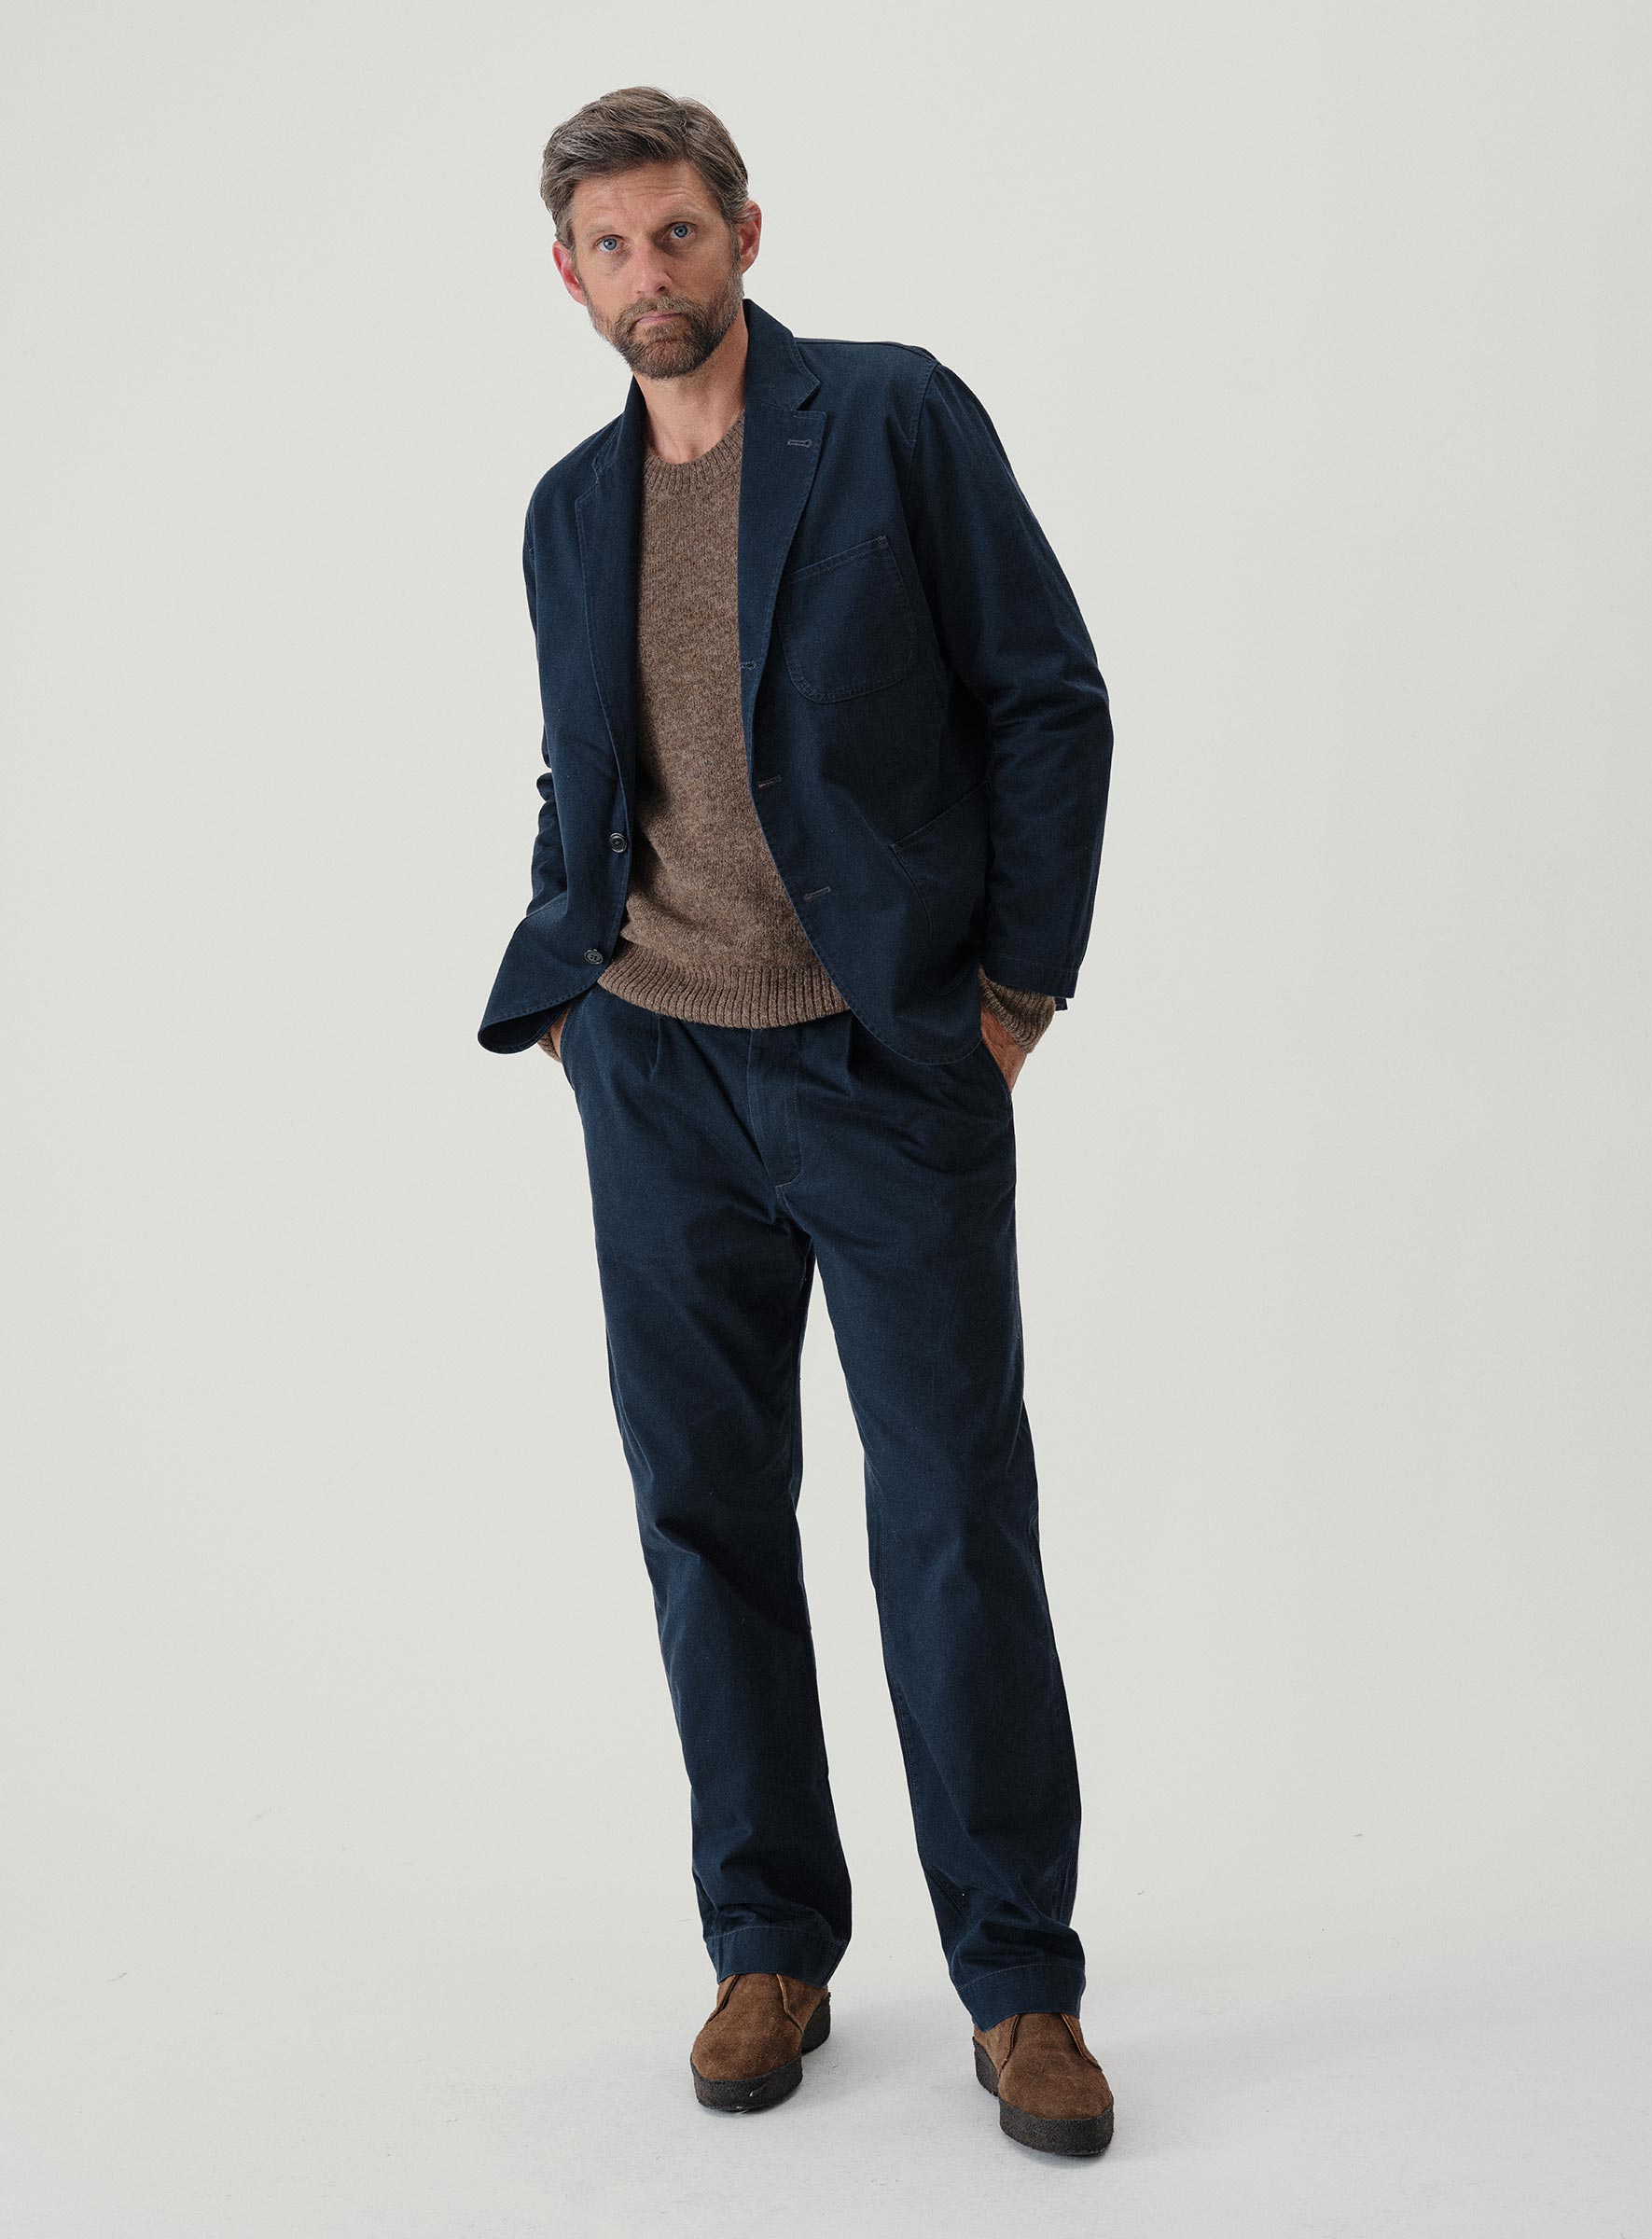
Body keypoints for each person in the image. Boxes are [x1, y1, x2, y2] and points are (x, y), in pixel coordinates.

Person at [478, 85, 1117, 2159]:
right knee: (704, 1513)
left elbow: (1047, 697)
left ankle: (1018, 1980)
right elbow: (582, 770)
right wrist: (573, 993)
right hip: (653, 1076)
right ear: (565, 274)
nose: (646, 275)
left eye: (676, 232)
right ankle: (768, 1942)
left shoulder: (894, 419)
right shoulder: (569, 511)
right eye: (609, 246)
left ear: (745, 232)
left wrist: (1012, 1000)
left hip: (883, 1064)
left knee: (953, 1515)